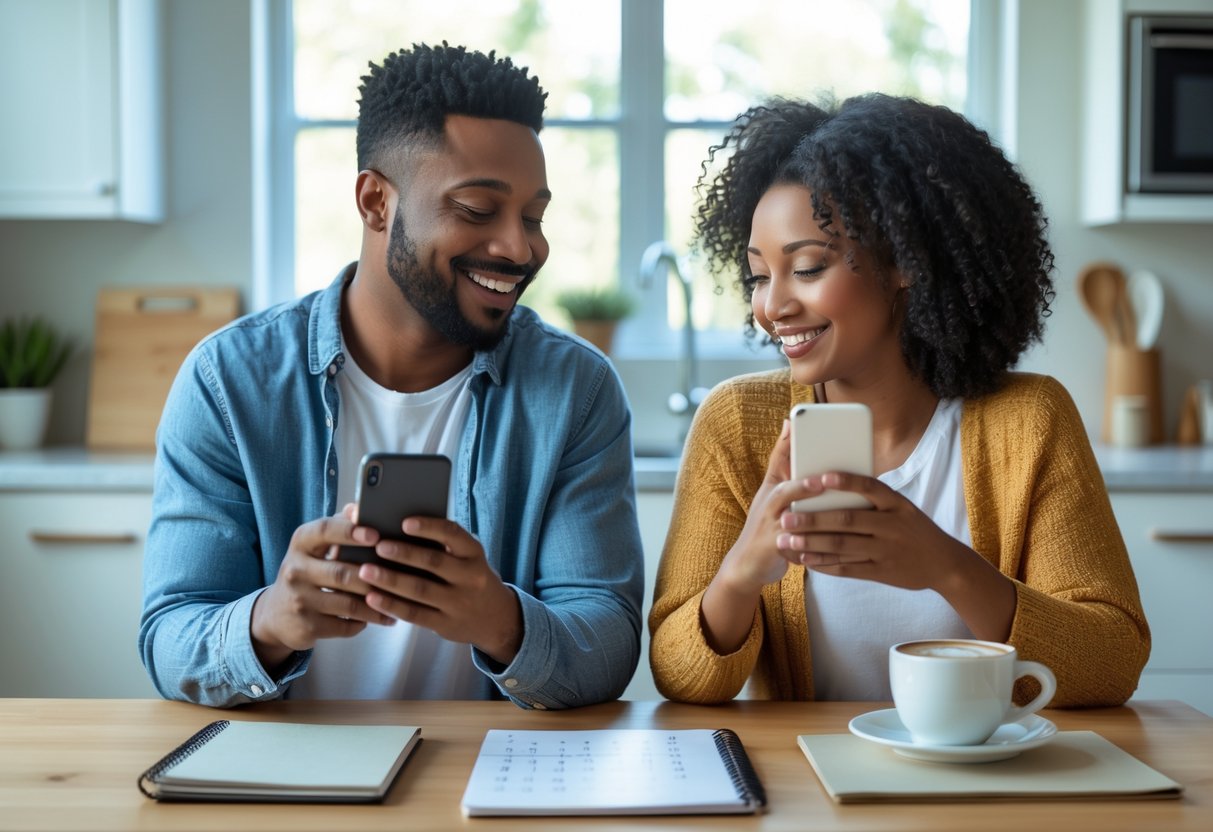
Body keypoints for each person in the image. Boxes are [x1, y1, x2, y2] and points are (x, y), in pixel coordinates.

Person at [140, 43, 644, 709]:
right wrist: (270, 621)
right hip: (284, 786)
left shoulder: (575, 390)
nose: (520, 248)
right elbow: (171, 636)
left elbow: (607, 642)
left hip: (478, 788)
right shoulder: (229, 381)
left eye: (533, 217)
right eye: (475, 209)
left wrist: (497, 619)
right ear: (376, 201)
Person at [648, 93, 1150, 707]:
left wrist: (946, 567)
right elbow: (678, 673)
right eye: (759, 274)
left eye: (807, 267)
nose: (772, 306)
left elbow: (1114, 659)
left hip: (983, 789)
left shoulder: (1030, 421)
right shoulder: (737, 426)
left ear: (904, 263)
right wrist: (743, 570)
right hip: (809, 786)